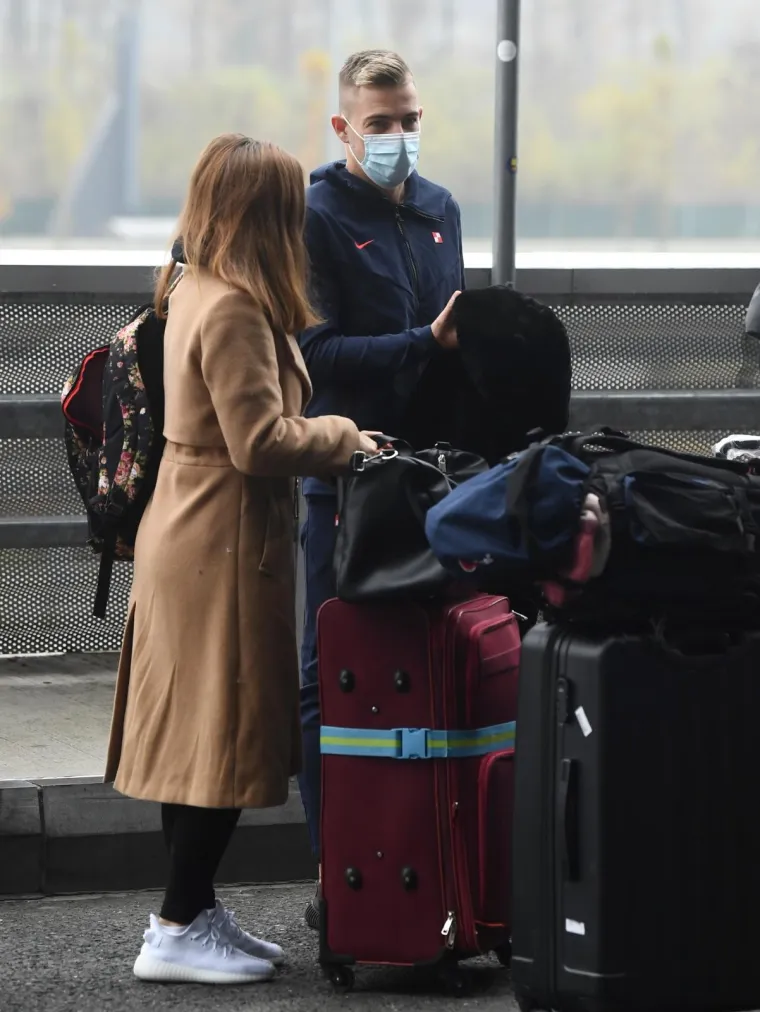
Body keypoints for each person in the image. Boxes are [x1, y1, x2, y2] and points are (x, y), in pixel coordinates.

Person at [104, 133, 378, 986]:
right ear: (267, 213)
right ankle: (177, 925)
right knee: (217, 733)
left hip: (194, 529)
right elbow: (258, 442)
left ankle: (189, 911)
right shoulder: (230, 306)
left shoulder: (194, 283)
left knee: (193, 734)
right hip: (218, 538)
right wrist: (346, 438)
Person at [296, 49, 466, 929]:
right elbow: (315, 355)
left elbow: (453, 334)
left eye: (409, 120)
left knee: (431, 669)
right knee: (329, 675)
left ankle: (432, 874)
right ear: (342, 129)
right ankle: (338, 876)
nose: (399, 138)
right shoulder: (318, 215)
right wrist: (422, 345)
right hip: (346, 482)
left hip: (434, 480)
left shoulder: (441, 210)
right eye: (380, 125)